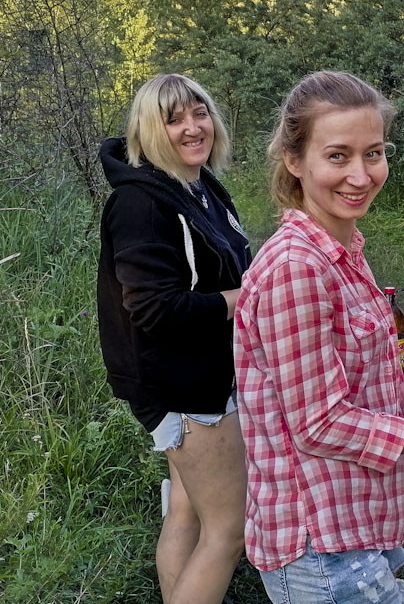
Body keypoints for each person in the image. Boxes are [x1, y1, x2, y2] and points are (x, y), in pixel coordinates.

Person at [234, 70, 404, 604]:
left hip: (354, 522)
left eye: (374, 153)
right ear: (295, 161)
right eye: (338, 156)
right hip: (319, 546)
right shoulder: (297, 268)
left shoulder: (343, 248)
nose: (360, 175)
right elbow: (317, 424)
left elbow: (333, 375)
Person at [97, 74, 251, 604]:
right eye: (174, 118)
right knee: (229, 530)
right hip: (184, 389)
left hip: (200, 376)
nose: (193, 127)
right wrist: (245, 298)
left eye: (199, 112)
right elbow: (153, 309)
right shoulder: (141, 203)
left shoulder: (197, 186)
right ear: (149, 130)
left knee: (186, 507)